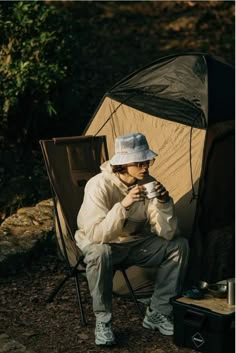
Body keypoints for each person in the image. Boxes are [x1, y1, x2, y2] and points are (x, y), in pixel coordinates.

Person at [75, 132, 189, 346]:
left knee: (179, 246)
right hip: (103, 244)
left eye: (148, 161)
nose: (146, 167)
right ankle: (104, 321)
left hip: (134, 244)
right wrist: (124, 206)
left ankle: (157, 312)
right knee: (100, 252)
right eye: (140, 162)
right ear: (123, 164)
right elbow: (96, 235)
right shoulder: (98, 185)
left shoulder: (148, 183)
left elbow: (168, 234)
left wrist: (164, 203)